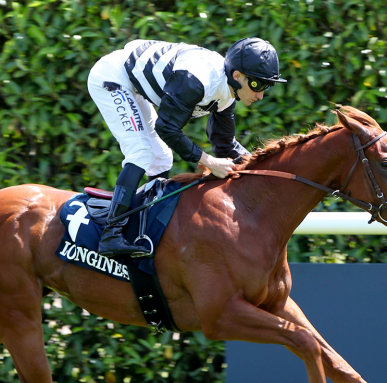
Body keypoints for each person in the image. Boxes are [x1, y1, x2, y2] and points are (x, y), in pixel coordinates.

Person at [87, 37, 287, 257]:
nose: (260, 95)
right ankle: (111, 235)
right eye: (257, 84)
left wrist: (264, 167)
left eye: (266, 86)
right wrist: (208, 162)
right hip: (113, 77)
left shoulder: (227, 94)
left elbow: (225, 145)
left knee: (162, 157)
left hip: (133, 81)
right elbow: (167, 128)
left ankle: (146, 229)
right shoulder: (197, 80)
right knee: (142, 151)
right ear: (237, 75)